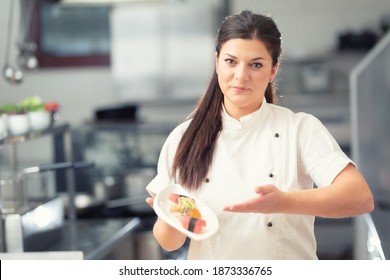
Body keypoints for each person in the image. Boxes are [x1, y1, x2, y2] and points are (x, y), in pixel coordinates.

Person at [145, 10, 374, 260]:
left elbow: (359, 197)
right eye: (231, 62)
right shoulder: (184, 138)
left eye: (256, 64)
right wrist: (170, 217)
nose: (241, 76)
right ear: (217, 61)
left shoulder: (299, 129)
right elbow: (169, 242)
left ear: (273, 70)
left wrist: (282, 202)